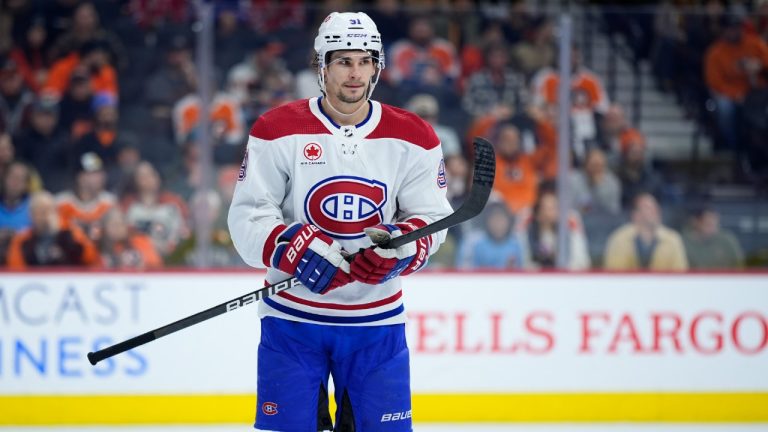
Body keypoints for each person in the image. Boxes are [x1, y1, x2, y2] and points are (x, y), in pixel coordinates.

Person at [228, 12, 452, 432]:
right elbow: (247, 217)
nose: (355, 73)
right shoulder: (277, 129)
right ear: (322, 67)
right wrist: (290, 247)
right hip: (292, 320)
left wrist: (400, 248)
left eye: (365, 60)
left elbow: (433, 218)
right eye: (343, 61)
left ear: (378, 66)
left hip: (376, 322)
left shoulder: (414, 136)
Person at [6, 190, 100, 269]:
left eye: (47, 211)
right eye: (38, 211)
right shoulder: (22, 240)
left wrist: (60, 233)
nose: (43, 216)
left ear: (55, 212)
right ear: (30, 215)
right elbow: (15, 269)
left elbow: (90, 257)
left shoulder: (70, 233)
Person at [603, 192, 688, 271]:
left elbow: (680, 275)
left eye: (656, 207)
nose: (655, 211)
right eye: (648, 207)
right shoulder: (619, 239)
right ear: (635, 215)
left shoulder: (673, 240)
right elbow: (614, 275)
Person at [682, 205, 745, 269]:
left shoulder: (727, 240)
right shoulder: (682, 242)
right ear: (695, 222)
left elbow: (739, 266)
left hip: (724, 278)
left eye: (716, 225)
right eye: (708, 224)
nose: (713, 229)